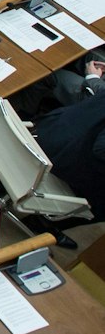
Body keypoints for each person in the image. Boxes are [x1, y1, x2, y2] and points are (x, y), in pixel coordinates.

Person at [32, 89, 105, 231]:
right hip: (62, 158)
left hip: (46, 132)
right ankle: (44, 225)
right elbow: (101, 148)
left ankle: (1, 188)